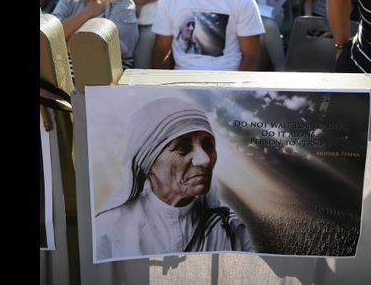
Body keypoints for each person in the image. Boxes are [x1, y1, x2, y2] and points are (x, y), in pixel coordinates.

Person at [94, 98, 253, 260]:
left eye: (208, 145)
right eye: (182, 148)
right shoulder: (110, 227)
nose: (204, 160)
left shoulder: (228, 227)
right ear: (147, 161)